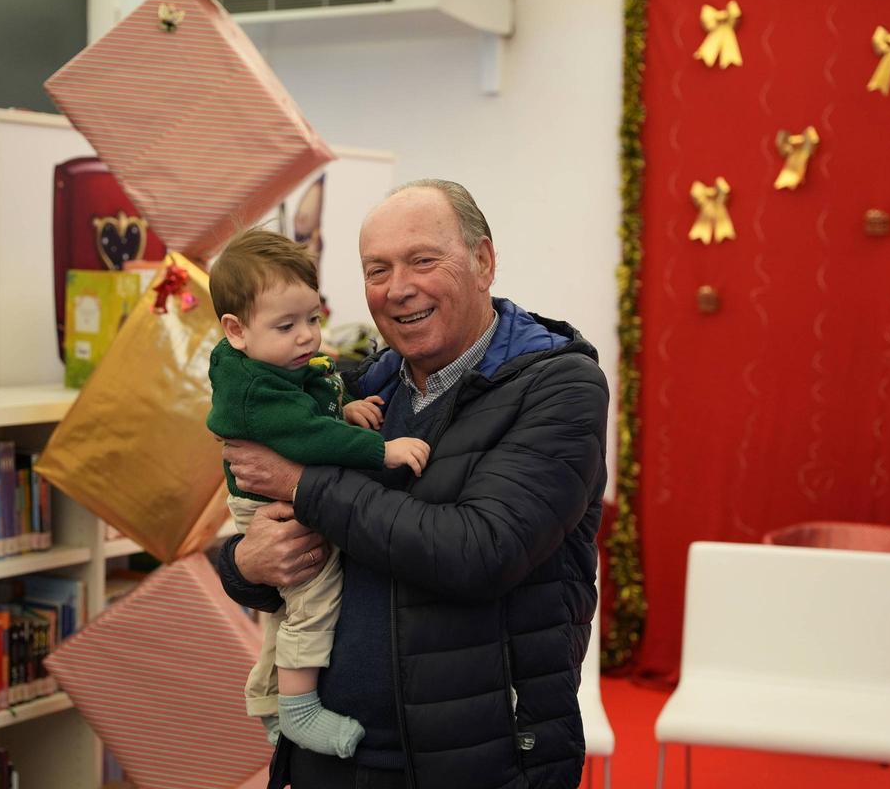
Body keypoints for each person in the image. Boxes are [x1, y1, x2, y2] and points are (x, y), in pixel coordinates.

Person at [216, 180, 609, 789]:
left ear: (483, 262)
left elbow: (478, 551)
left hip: (475, 762)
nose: (398, 288)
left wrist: (303, 486)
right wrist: (245, 562)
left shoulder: (558, 388)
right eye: (377, 269)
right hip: (331, 756)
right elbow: (283, 557)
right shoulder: (358, 387)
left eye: (423, 260)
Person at [206, 228, 431, 761]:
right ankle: (298, 707)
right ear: (236, 331)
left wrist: (346, 405)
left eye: (313, 318)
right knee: (315, 592)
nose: (307, 337)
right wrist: (382, 451)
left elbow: (318, 390)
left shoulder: (270, 359)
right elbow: (311, 435)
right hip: (270, 504)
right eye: (287, 325)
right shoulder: (254, 391)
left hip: (282, 494)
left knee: (290, 607)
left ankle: (270, 700)